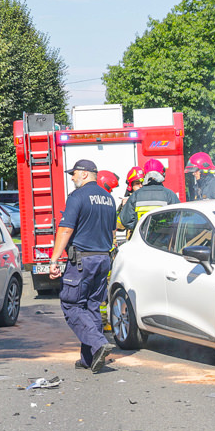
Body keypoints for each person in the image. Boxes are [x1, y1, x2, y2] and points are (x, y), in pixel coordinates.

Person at [49, 159, 117, 372]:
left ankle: (98, 344)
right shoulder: (108, 199)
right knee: (92, 306)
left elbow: (65, 229)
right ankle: (89, 359)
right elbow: (113, 232)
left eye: (74, 173)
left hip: (82, 261)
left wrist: (54, 259)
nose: (72, 177)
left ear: (85, 174)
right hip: (103, 259)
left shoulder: (77, 197)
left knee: (71, 305)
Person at [119, 159, 180, 231]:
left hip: (141, 239)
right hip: (164, 239)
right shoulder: (169, 195)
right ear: (162, 174)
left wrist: (139, 229)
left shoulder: (135, 195)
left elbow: (126, 220)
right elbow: (179, 217)